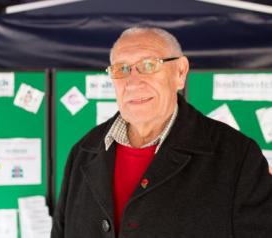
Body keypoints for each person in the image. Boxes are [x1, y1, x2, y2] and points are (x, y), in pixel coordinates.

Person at [51, 27, 272, 238]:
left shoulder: (237, 157)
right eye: (121, 69)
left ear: (180, 72)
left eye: (148, 65)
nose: (133, 82)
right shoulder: (83, 151)